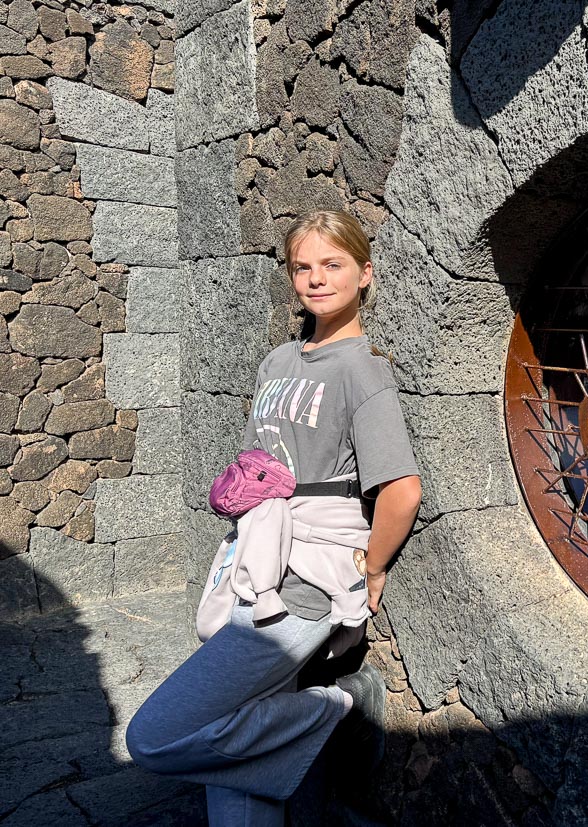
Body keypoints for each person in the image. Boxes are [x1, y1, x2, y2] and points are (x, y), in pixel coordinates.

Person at [125, 210, 423, 825]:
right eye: (302, 267)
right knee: (236, 746)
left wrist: (370, 568)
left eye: (332, 264)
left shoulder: (362, 370)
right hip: (252, 558)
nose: (316, 279)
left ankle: (335, 705)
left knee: (151, 737)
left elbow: (401, 490)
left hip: (309, 574)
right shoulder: (277, 361)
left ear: (365, 274)